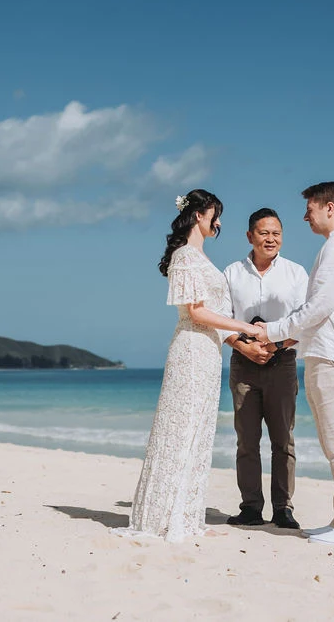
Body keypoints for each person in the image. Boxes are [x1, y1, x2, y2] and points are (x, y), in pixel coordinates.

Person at [114, 189, 268, 543]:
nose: (220, 221)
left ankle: (185, 513)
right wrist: (245, 327)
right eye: (216, 214)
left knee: (198, 431)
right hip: (191, 350)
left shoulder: (200, 256)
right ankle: (164, 517)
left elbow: (210, 316)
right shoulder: (185, 256)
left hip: (208, 352)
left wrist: (240, 342)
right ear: (199, 215)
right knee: (180, 429)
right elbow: (196, 311)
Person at [256, 182, 334, 546]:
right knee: (333, 442)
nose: (305, 215)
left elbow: (320, 307)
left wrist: (272, 332)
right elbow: (323, 312)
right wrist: (288, 338)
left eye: (310, 207)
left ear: (330, 208)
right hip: (327, 352)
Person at [221, 208, 308, 530]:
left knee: (283, 440)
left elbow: (306, 319)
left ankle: (283, 508)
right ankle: (251, 508)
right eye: (263, 233)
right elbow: (220, 317)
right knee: (247, 440)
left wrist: (275, 345)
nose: (270, 239)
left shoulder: (296, 273)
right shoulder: (231, 272)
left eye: (276, 233)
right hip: (242, 362)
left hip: (282, 363)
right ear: (249, 236)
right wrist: (242, 345)